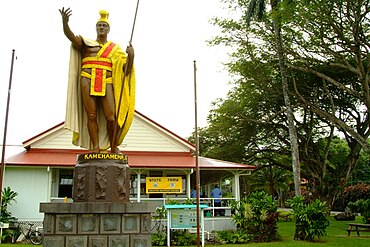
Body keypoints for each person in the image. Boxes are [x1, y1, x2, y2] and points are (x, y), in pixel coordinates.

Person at [59, 7, 136, 153]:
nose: (102, 27)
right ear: (96, 28)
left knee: (111, 117)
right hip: (87, 79)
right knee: (91, 115)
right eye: (100, 25)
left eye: (104, 25)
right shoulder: (87, 43)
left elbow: (126, 71)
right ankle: (95, 147)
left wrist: (131, 55)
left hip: (106, 81)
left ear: (108, 29)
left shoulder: (115, 49)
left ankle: (113, 147)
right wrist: (65, 23)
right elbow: (72, 38)